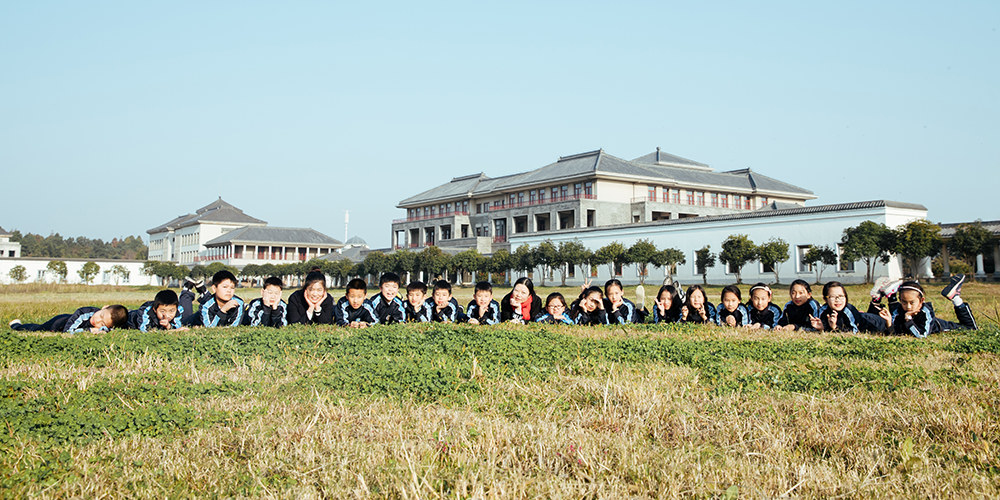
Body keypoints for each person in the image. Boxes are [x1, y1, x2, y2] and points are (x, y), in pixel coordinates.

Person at [888, 275, 977, 337]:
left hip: (944, 327)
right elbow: (897, 333)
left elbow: (922, 335)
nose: (908, 307)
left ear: (921, 301)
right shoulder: (899, 311)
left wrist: (908, 320)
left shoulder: (925, 311)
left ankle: (956, 298)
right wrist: (889, 322)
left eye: (912, 303)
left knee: (970, 328)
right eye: (904, 302)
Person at [810, 281, 887, 333]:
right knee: (862, 315)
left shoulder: (848, 310)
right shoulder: (824, 310)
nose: (837, 300)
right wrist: (821, 328)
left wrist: (835, 328)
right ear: (825, 299)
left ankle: (883, 298)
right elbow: (824, 327)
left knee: (885, 321)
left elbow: (854, 332)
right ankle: (876, 300)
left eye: (841, 296)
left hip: (874, 323)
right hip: (861, 316)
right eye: (833, 296)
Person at [10, 304, 128, 333]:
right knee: (37, 329)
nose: (97, 321)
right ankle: (16, 326)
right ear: (104, 307)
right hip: (59, 323)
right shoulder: (84, 313)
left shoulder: (106, 326)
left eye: (102, 323)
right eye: (101, 316)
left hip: (65, 323)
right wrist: (90, 331)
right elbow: (68, 331)